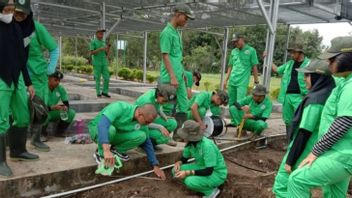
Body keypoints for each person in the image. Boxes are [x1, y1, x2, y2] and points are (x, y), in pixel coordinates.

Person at [287, 37, 352, 198]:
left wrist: (315, 151)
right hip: (339, 152)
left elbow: (343, 122)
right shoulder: (344, 82)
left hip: (342, 154)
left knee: (297, 179)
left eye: (332, 59)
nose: (328, 64)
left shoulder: (350, 86)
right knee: (334, 193)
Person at [272, 60, 335, 197]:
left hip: (304, 150)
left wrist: (290, 160)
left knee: (282, 185)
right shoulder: (329, 95)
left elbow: (304, 132)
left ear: (318, 77)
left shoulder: (316, 100)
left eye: (307, 76)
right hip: (315, 149)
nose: (304, 79)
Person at [0, 0, 39, 177]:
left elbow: (22, 59)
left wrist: (29, 82)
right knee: (1, 120)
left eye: (11, 6)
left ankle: (18, 150)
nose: (10, 9)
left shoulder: (16, 28)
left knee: (22, 115)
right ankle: (0, 161)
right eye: (6, 5)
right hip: (2, 79)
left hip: (17, 78)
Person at [15, 7, 59, 151]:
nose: (19, 16)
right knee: (17, 108)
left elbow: (53, 48)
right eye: (16, 13)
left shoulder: (37, 28)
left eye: (23, 13)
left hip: (38, 75)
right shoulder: (9, 28)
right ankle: (15, 143)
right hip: (18, 74)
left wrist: (51, 68)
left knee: (39, 107)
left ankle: (35, 139)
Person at [88, 103, 166, 179]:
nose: (147, 124)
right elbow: (102, 124)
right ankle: (100, 152)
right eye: (147, 122)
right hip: (98, 130)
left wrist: (155, 165)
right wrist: (106, 150)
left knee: (142, 136)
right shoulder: (120, 107)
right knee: (111, 130)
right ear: (139, 114)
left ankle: (116, 150)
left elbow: (147, 142)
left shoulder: (142, 123)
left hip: (115, 134)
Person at [173, 120, 227, 198]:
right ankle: (201, 187)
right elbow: (184, 158)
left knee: (189, 181)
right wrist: (178, 163)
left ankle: (212, 192)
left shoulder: (207, 146)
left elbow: (209, 171)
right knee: (175, 171)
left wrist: (187, 172)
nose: (183, 138)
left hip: (216, 173)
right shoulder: (190, 144)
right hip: (201, 166)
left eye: (184, 136)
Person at [159, 3, 194, 113]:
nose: (186, 21)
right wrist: (172, 76)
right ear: (178, 14)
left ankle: (181, 129)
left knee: (184, 105)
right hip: (170, 78)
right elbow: (165, 55)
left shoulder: (176, 32)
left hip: (179, 77)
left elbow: (177, 57)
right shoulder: (167, 33)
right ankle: (165, 129)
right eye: (185, 17)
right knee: (168, 107)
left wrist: (181, 73)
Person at [271, 44, 310, 138]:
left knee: (300, 119)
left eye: (294, 52)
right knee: (288, 120)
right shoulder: (289, 63)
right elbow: (277, 70)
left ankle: (298, 142)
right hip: (287, 96)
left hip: (301, 96)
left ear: (300, 53)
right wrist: (268, 59)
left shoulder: (309, 64)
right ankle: (289, 141)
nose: (291, 55)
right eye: (291, 52)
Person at [223, 33, 259, 106]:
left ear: (242, 39)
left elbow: (254, 67)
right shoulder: (234, 51)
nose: (235, 43)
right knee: (231, 103)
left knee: (240, 103)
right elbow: (230, 66)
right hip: (232, 81)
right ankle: (233, 117)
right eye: (234, 42)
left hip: (242, 83)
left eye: (237, 41)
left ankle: (238, 117)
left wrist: (256, 82)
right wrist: (225, 80)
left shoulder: (251, 50)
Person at [43, 71, 76, 138]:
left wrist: (65, 107)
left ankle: (59, 132)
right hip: (43, 111)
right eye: (55, 80)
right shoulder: (42, 87)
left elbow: (66, 103)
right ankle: (42, 134)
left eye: (59, 80)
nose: (57, 82)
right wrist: (52, 107)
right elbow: (38, 106)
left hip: (53, 112)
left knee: (71, 113)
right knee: (43, 115)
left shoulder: (60, 88)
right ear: (49, 78)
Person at [89, 29, 111, 98]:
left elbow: (106, 53)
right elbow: (91, 52)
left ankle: (104, 92)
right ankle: (98, 92)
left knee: (107, 78)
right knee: (97, 78)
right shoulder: (93, 42)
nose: (101, 35)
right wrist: (100, 49)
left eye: (102, 34)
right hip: (97, 62)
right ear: (96, 34)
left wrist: (108, 48)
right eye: (100, 33)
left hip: (104, 62)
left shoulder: (103, 42)